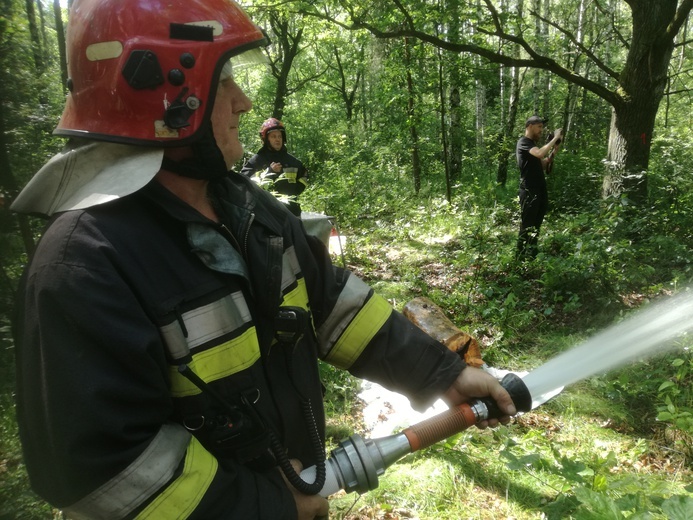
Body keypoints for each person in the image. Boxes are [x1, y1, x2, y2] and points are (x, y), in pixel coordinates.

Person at [11, 1, 516, 519]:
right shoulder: (83, 265)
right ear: (166, 96)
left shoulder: (248, 207)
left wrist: (442, 373)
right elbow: (104, 472)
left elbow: (335, 306)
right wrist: (269, 506)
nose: (244, 103)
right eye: (222, 81)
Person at [515, 115, 563, 260]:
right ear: (529, 126)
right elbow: (540, 153)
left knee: (536, 225)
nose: (541, 130)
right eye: (539, 127)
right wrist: (555, 137)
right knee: (527, 226)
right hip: (529, 190)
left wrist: (554, 150)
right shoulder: (524, 142)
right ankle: (519, 259)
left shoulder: (532, 145)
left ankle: (532, 256)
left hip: (540, 189)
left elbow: (543, 164)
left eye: (542, 127)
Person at [241, 118, 308, 216]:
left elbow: (304, 177)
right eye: (273, 136)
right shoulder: (257, 160)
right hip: (266, 213)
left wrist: (293, 192)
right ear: (266, 139)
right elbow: (244, 180)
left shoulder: (293, 162)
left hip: (291, 212)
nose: (277, 139)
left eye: (280, 136)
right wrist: (269, 172)